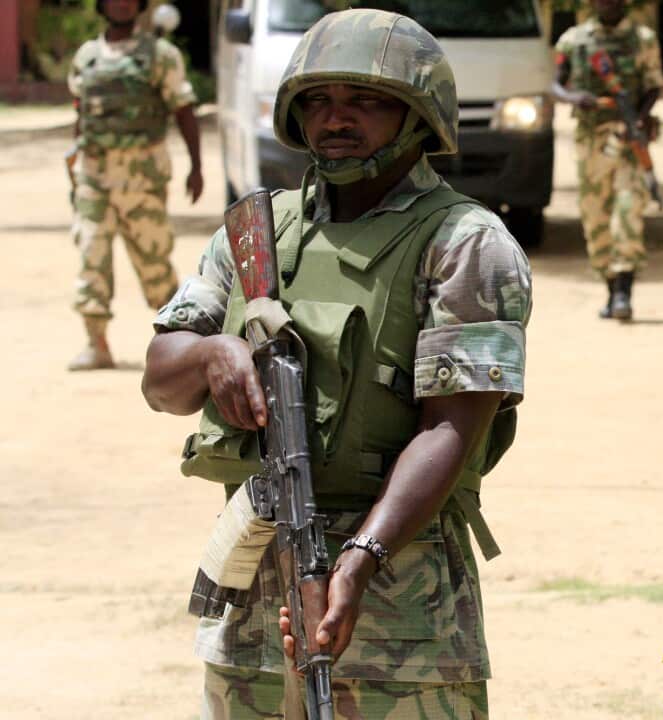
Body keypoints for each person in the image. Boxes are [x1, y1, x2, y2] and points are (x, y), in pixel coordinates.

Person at [140, 9, 531, 718]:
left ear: (418, 116)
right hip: (253, 595)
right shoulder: (254, 234)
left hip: (401, 608)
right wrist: (215, 351)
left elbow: (452, 429)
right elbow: (161, 380)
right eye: (318, 101)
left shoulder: (466, 242)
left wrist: (357, 562)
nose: (337, 119)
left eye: (367, 100)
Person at [67, 0, 202, 370]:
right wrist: (75, 169)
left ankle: (179, 341)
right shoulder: (87, 57)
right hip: (94, 179)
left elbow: (184, 110)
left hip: (141, 180)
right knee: (91, 261)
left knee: (155, 265)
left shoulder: (161, 55)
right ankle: (97, 345)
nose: (121, 4)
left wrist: (197, 166)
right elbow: (82, 114)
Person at [552, 0, 663, 320]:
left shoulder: (642, 38)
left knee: (629, 208)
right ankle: (611, 287)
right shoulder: (573, 39)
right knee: (595, 216)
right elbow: (555, 83)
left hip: (628, 139)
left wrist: (639, 119)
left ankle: (624, 291)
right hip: (590, 141)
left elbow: (654, 86)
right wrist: (575, 98)